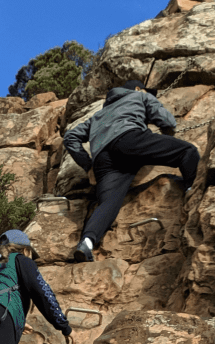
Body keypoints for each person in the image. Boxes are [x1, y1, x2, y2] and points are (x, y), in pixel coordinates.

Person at [62, 79, 200, 262]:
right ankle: (193, 191)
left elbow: (70, 137)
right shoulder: (139, 95)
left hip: (103, 158)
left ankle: (86, 242)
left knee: (108, 203)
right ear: (137, 88)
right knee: (186, 151)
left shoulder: (98, 115)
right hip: (129, 140)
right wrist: (168, 133)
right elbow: (167, 121)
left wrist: (88, 166)